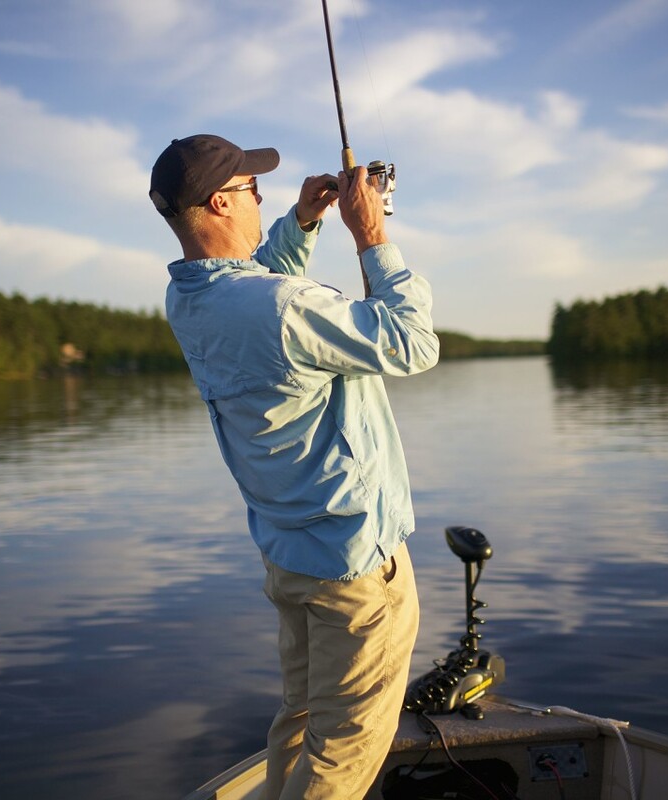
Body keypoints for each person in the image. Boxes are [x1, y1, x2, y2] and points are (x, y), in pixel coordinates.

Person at [150, 134, 439, 800]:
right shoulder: (282, 310)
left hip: (290, 561)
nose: (262, 196)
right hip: (354, 572)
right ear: (222, 201)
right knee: (340, 757)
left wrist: (302, 224)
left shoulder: (191, 302)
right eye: (253, 189)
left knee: (301, 719)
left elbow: (259, 283)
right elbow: (412, 342)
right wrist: (371, 236)